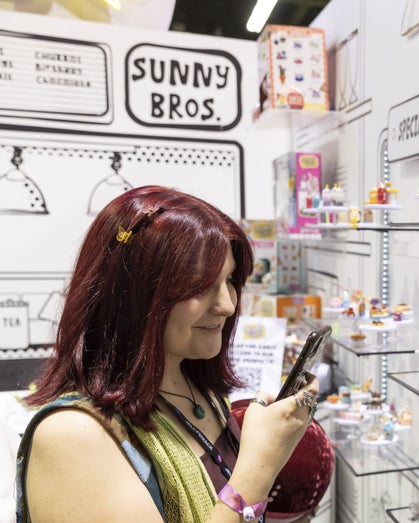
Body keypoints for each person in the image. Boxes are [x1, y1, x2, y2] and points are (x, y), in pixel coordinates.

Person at [15, 185, 319, 523]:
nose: (227, 305)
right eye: (200, 285)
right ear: (133, 294)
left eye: (230, 280)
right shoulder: (74, 436)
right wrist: (259, 467)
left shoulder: (196, 386)